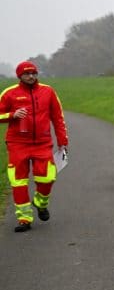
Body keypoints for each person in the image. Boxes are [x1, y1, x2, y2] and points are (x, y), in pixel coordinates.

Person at [1, 61, 69, 233]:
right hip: (17, 144)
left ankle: (40, 202)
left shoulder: (48, 91)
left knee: (47, 177)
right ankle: (24, 218)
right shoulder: (10, 94)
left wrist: (63, 141)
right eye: (27, 73)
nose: (31, 76)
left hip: (42, 143)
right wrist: (12, 115)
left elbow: (58, 117)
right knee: (18, 181)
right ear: (19, 76)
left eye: (34, 73)